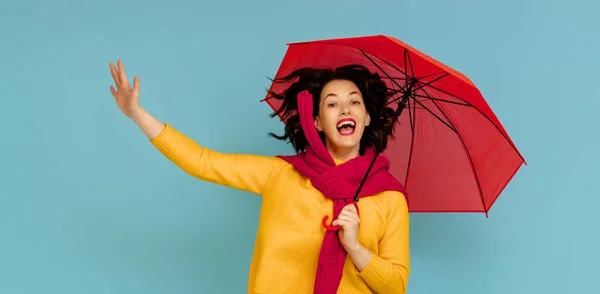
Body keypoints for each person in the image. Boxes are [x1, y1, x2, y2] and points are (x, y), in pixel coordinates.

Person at [109, 60, 410, 294]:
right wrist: (137, 114)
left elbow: (396, 285)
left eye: (354, 102)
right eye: (332, 103)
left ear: (367, 117)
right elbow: (202, 161)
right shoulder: (281, 174)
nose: (345, 108)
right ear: (317, 121)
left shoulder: (389, 197)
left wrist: (356, 247)